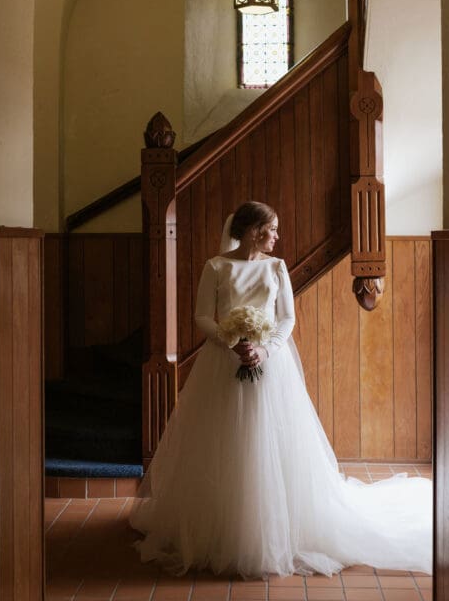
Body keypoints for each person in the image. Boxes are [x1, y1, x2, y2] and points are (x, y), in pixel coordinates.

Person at [129, 201, 432, 578]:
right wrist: (230, 339)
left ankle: (270, 530)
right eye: (271, 229)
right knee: (224, 442)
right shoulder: (217, 267)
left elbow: (286, 317)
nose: (277, 236)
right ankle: (224, 527)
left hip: (270, 364)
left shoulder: (277, 267)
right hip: (223, 363)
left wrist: (265, 347)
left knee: (269, 441)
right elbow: (202, 316)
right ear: (254, 230)